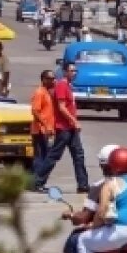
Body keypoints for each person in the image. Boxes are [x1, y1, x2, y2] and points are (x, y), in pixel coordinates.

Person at [61, 144, 125, 253]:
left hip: (114, 231)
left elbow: (89, 216)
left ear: (104, 165)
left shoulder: (102, 186)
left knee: (77, 241)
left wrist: (71, 215)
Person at [75, 147, 127, 253]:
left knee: (83, 240)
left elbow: (102, 212)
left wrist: (93, 227)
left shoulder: (111, 184)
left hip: (121, 232)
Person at [34, 62, 89, 193]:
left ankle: (83, 185)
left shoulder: (68, 86)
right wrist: (74, 121)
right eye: (71, 70)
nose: (74, 73)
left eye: (76, 71)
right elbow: (61, 107)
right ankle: (37, 182)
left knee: (78, 155)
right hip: (63, 128)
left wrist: (73, 124)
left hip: (71, 128)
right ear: (65, 72)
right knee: (54, 156)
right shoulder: (62, 86)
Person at [30, 70, 57, 175]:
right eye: (50, 79)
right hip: (39, 131)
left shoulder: (47, 92)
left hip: (46, 130)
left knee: (45, 156)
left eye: (53, 78)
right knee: (40, 157)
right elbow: (35, 111)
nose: (53, 81)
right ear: (44, 80)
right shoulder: (39, 92)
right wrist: (45, 125)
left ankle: (38, 181)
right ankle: (36, 182)